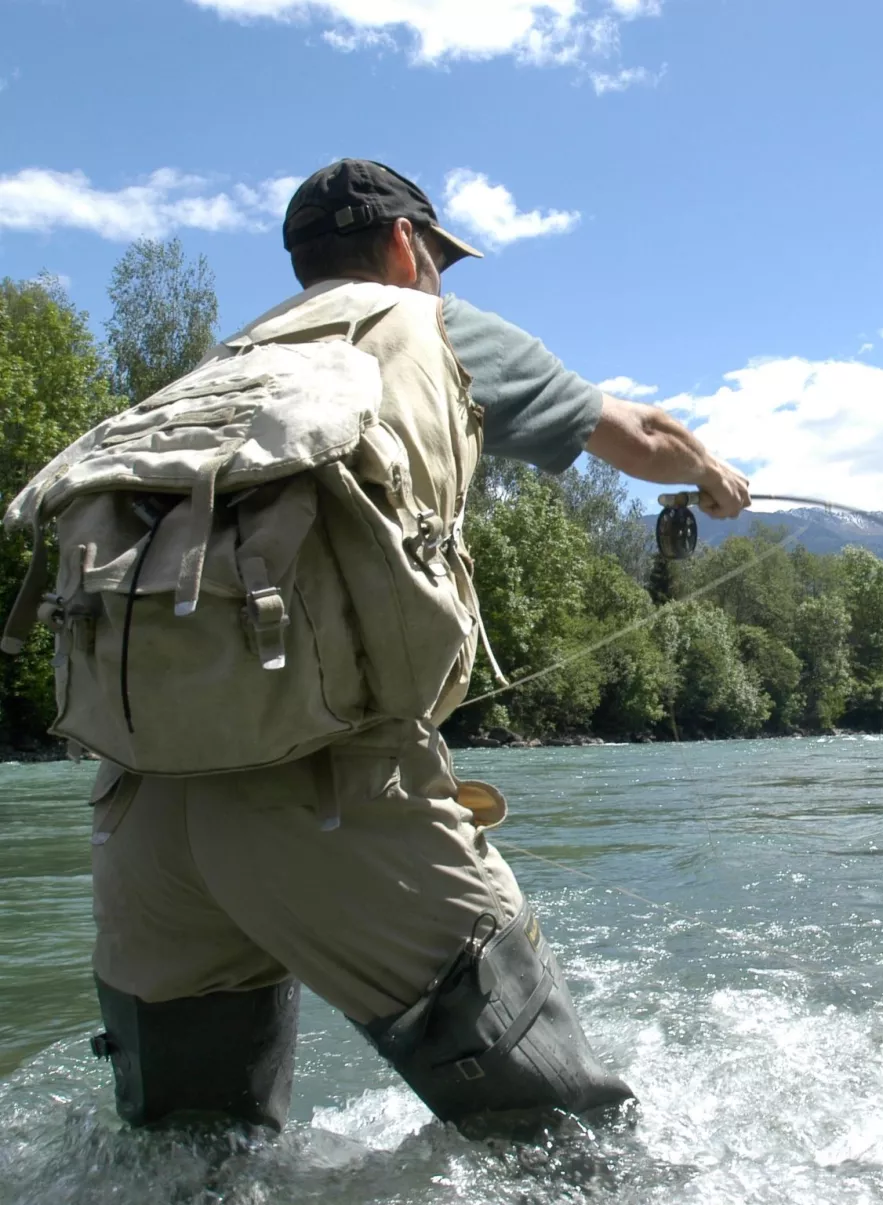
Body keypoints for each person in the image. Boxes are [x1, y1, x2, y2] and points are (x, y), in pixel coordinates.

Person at [86, 159, 750, 1135]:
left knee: (186, 1164)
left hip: (139, 815)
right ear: (407, 247)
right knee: (567, 1145)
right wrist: (715, 476)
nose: (440, 276)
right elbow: (638, 434)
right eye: (440, 257)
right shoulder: (425, 325)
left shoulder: (215, 367)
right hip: (328, 798)